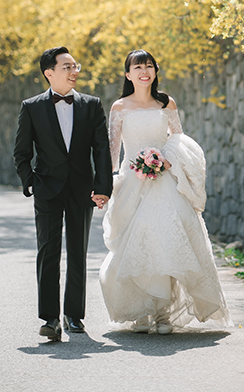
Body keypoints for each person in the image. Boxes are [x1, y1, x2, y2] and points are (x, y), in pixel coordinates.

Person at [99, 48, 230, 333]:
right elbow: (113, 150)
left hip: (164, 182)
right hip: (132, 183)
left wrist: (165, 158)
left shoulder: (166, 103)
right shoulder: (119, 107)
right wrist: (109, 182)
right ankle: (142, 312)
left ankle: (162, 315)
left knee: (167, 243)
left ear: (155, 71)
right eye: (137, 67)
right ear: (127, 74)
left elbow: (179, 138)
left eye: (148, 66)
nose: (144, 72)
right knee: (136, 246)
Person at [14, 46, 113, 341]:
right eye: (67, 67)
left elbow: (101, 150)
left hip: (82, 189)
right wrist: (29, 180)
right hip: (47, 189)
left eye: (75, 66)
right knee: (48, 252)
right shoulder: (31, 107)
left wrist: (103, 187)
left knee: (78, 252)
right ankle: (50, 318)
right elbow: (21, 151)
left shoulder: (91, 105)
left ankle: (73, 315)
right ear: (49, 73)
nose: (74, 72)